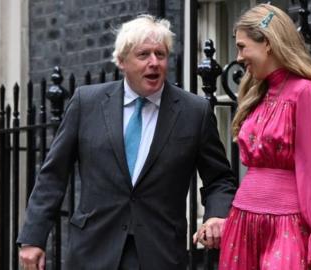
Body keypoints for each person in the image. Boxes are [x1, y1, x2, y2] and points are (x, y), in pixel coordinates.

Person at [17, 14, 237, 270]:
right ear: (121, 61)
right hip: (93, 250)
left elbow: (220, 179)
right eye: (144, 55)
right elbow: (52, 176)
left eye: (160, 54)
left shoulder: (194, 111)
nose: (154, 63)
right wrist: (33, 238)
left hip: (160, 252)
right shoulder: (86, 103)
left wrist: (217, 215)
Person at [194, 4, 311, 270]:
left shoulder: (304, 92)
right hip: (243, 221)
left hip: (287, 223)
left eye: (242, 46)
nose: (238, 57)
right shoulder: (256, 94)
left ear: (268, 44)